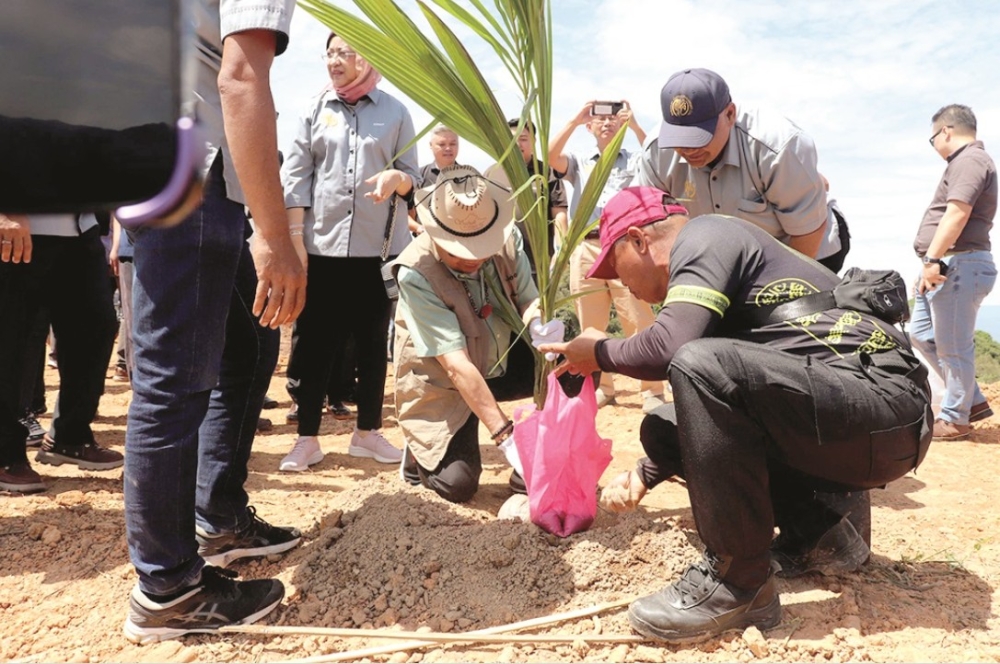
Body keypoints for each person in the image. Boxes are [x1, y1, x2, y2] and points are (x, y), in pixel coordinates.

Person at [540, 187, 932, 642]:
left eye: (614, 265)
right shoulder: (717, 277)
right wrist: (648, 472)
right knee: (665, 425)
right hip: (856, 423)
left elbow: (671, 349)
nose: (619, 282)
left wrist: (598, 352)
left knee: (697, 361)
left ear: (638, 241)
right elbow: (726, 407)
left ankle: (738, 584)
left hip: (882, 409)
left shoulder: (705, 235)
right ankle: (821, 534)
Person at [122, 0, 307, 644]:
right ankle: (167, 588)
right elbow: (240, 78)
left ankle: (218, 520)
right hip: (191, 172)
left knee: (248, 349)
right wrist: (274, 232)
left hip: (197, 170)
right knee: (175, 381)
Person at [278, 31, 417, 472]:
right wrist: (296, 240)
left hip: (378, 252)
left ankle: (368, 433)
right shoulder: (313, 108)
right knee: (316, 343)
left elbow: (415, 175)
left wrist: (399, 179)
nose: (334, 61)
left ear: (367, 57)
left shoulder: (396, 112)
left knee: (374, 343)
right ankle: (307, 439)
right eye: (330, 53)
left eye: (344, 53)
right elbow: (296, 177)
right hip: (321, 249)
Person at [394, 165, 564, 503]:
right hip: (446, 381)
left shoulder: (507, 237)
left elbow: (528, 298)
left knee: (573, 355)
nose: (472, 258)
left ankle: (538, 461)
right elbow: (456, 365)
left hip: (498, 358)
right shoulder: (416, 273)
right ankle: (418, 452)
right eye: (459, 249)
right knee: (457, 485)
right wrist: (507, 438)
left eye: (479, 246)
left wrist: (539, 324)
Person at [635, 68, 850, 273]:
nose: (688, 149)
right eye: (679, 138)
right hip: (731, 257)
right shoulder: (656, 153)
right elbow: (653, 229)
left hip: (807, 245)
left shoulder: (777, 146)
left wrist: (784, 293)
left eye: (698, 137)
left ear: (730, 115)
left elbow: (807, 230)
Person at [549, 100, 666, 412]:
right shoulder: (578, 162)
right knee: (591, 321)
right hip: (586, 247)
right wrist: (574, 119)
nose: (607, 123)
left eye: (614, 118)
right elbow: (550, 157)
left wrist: (638, 127)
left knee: (639, 318)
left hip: (625, 248)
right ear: (590, 126)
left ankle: (652, 389)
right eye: (600, 119)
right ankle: (604, 387)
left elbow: (660, 158)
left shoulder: (635, 159)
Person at [0, 213, 122, 494]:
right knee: (14, 340)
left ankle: (70, 435)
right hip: (21, 225)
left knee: (97, 326)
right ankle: (5, 454)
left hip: (81, 226)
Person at [910, 104, 997, 440]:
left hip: (958, 264)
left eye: (932, 139)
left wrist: (933, 259)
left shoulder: (971, 160)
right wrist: (930, 263)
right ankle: (971, 401)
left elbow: (957, 214)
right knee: (922, 334)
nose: (934, 147)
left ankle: (956, 418)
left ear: (945, 130)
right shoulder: (964, 162)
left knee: (953, 347)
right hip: (947, 264)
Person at [487, 119, 568, 280]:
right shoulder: (492, 173)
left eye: (523, 139)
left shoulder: (546, 172)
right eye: (512, 139)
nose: (518, 144)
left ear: (534, 141)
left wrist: (561, 252)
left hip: (538, 263)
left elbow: (559, 213)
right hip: (499, 261)